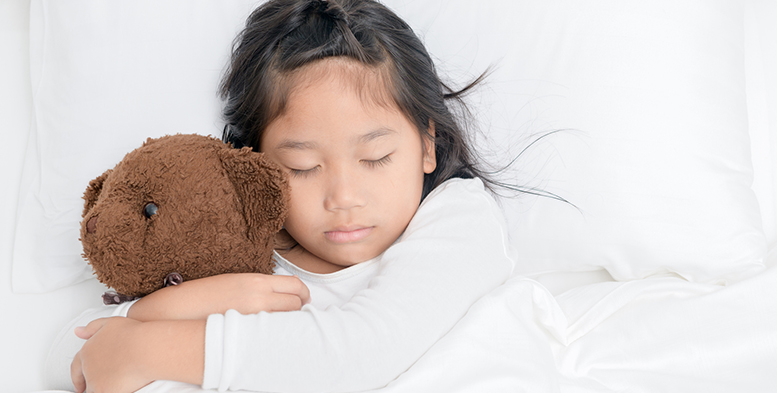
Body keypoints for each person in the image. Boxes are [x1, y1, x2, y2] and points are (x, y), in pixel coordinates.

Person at [53, 0, 515, 391]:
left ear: (427, 145)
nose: (344, 196)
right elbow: (85, 354)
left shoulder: (459, 219)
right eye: (303, 168)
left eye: (375, 157)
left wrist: (151, 349)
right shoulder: (244, 251)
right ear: (258, 168)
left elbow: (365, 348)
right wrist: (213, 295)